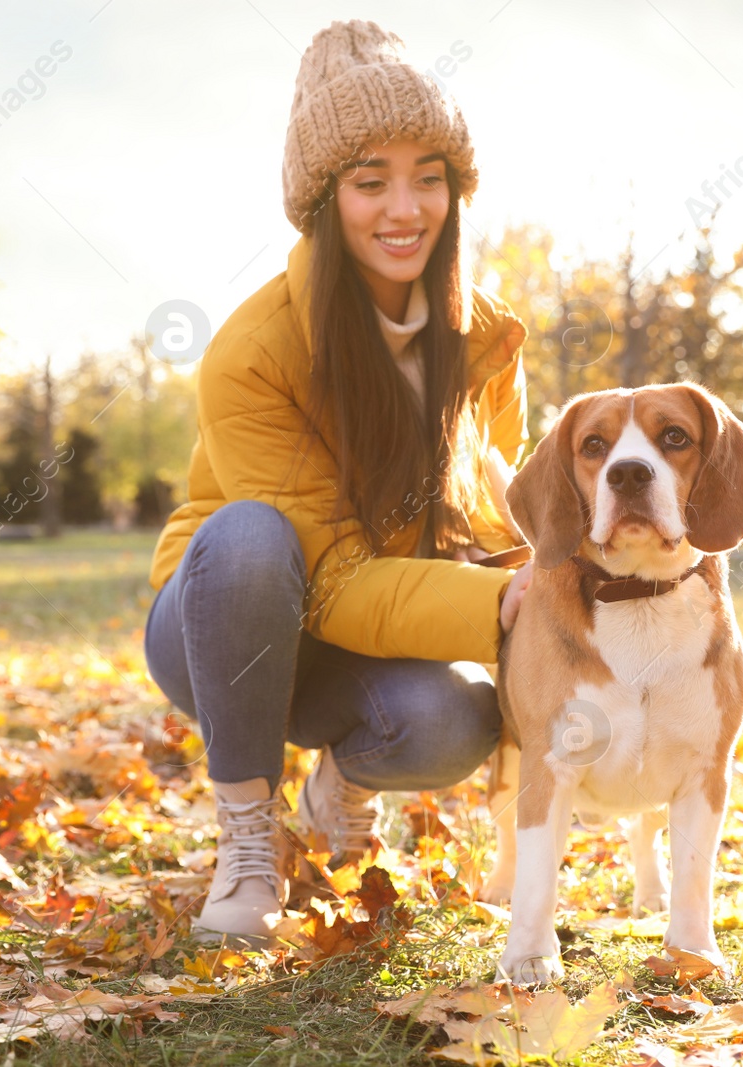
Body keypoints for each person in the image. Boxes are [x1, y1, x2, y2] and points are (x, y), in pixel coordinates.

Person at [141, 18, 535, 943]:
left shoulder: (485, 340)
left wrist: (543, 584)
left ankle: (341, 788)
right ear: (325, 197)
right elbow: (330, 578)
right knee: (248, 538)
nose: (405, 208)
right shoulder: (255, 351)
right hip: (224, 621)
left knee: (452, 722)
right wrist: (501, 605)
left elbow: (501, 515)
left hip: (370, 631)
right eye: (371, 181)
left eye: (428, 176)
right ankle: (247, 837)